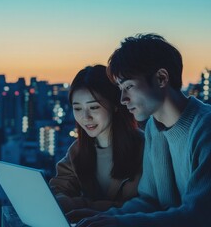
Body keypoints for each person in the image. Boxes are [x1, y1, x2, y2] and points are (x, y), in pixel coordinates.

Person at [68, 34, 211, 227]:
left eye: (129, 86)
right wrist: (104, 217)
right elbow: (150, 201)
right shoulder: (153, 128)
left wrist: (119, 223)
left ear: (161, 78)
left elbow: (197, 217)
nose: (123, 99)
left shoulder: (205, 128)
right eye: (120, 88)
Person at [49, 65, 144, 214]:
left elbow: (145, 206)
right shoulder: (77, 150)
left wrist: (81, 204)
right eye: (78, 109)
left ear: (115, 105)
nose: (85, 117)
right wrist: (60, 199)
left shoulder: (144, 147)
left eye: (93, 107)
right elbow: (59, 186)